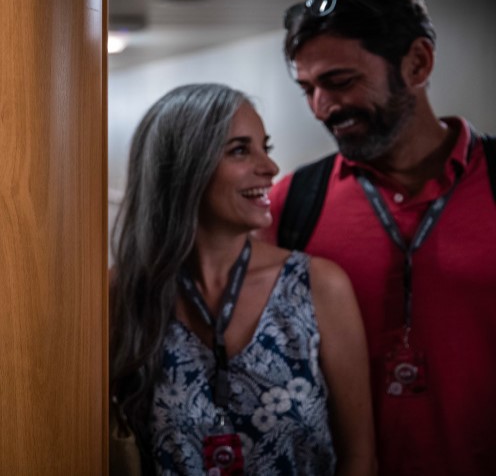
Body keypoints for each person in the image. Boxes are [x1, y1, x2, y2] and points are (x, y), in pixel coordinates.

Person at [258, 0, 496, 474]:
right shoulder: (292, 204)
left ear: (417, 64)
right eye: (308, 89)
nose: (322, 107)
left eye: (340, 82)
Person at [110, 83, 374, 475]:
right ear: (185, 167)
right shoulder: (124, 293)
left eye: (264, 148)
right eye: (240, 150)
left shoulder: (316, 287)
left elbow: (359, 458)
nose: (269, 168)